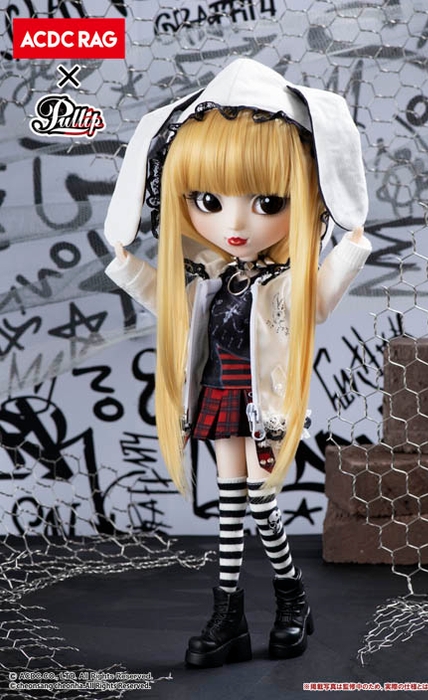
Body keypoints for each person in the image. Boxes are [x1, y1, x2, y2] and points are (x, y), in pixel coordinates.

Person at [104, 58, 371, 668]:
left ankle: (290, 599)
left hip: (263, 403)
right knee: (232, 505)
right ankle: (230, 616)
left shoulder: (285, 280)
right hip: (219, 393)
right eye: (208, 201)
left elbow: (319, 303)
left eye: (268, 201)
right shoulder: (207, 275)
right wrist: (123, 259)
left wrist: (352, 240)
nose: (235, 224)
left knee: (261, 505)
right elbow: (167, 301)